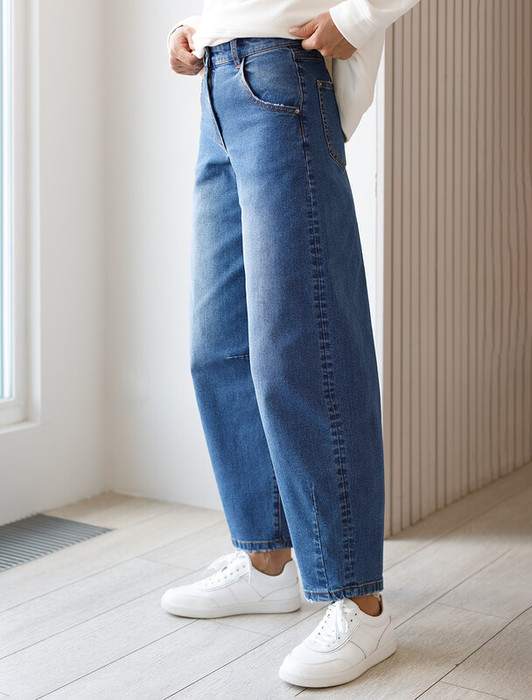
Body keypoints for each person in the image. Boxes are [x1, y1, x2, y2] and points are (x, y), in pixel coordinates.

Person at [162, 0, 420, 689]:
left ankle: (360, 604)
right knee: (219, 347)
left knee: (306, 351)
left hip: (283, 74)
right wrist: (192, 26)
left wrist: (359, 17)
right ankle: (267, 561)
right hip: (218, 79)